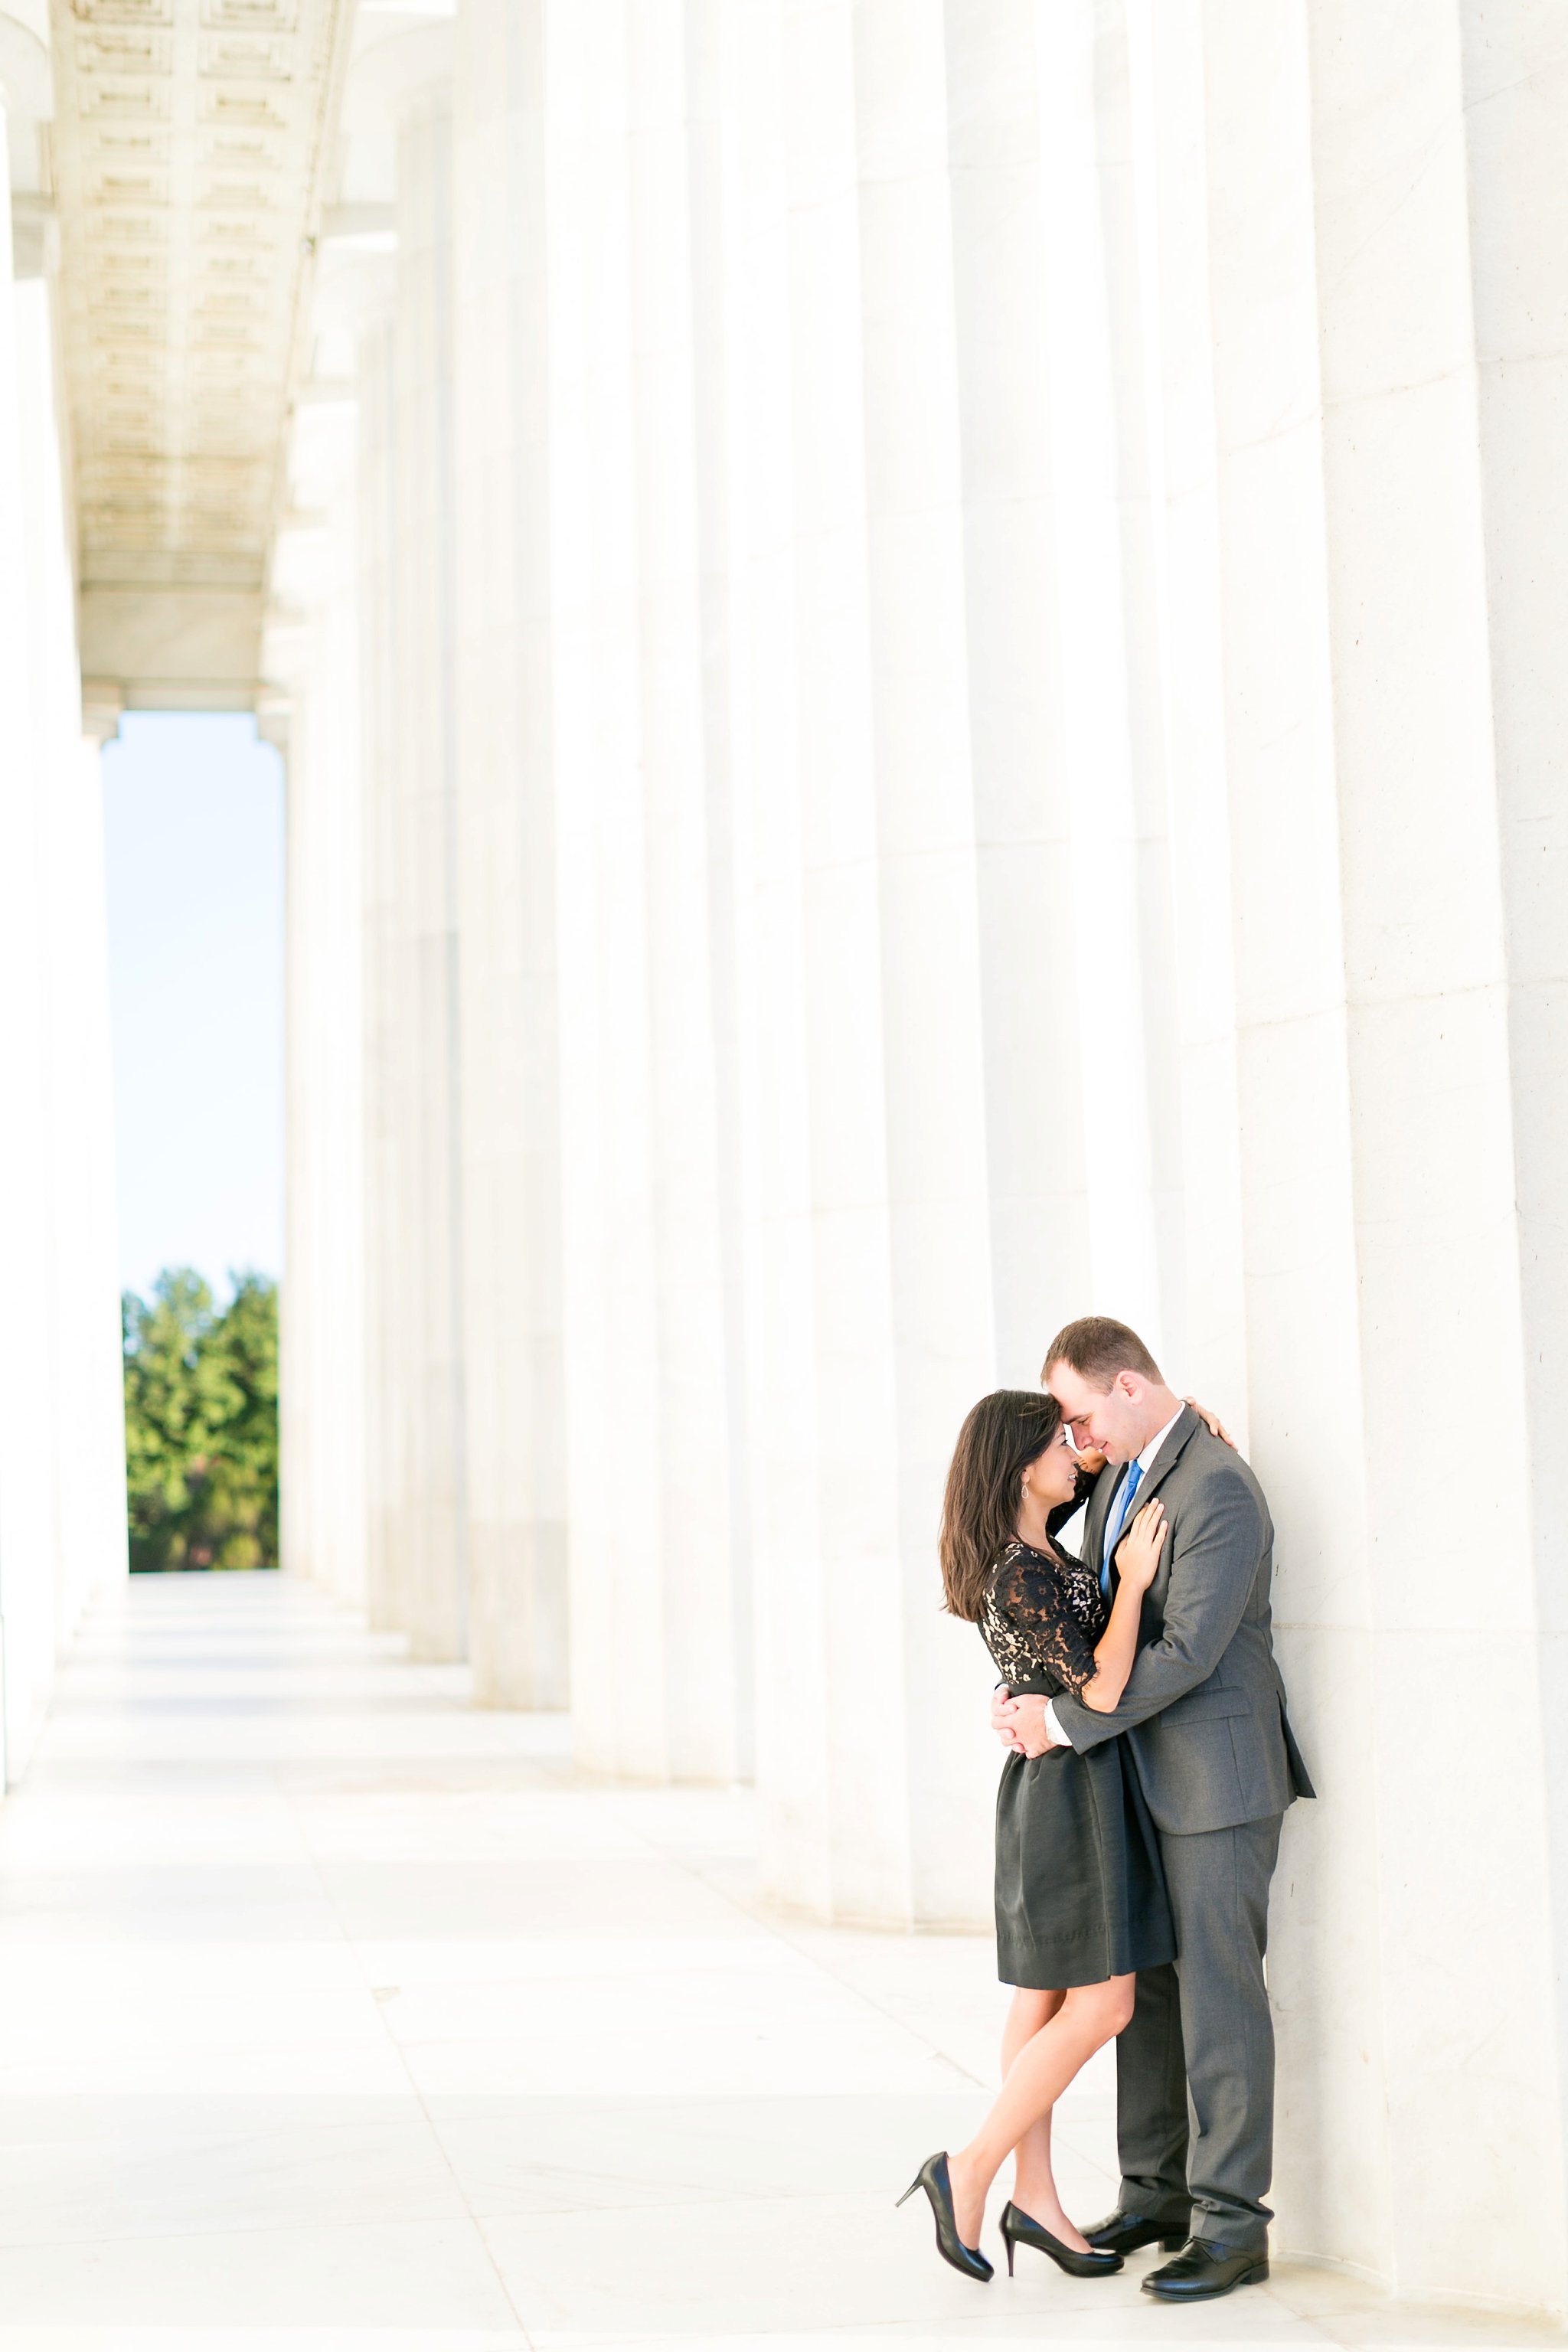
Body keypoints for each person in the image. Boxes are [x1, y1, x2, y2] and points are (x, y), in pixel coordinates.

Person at [992, 1315, 1314, 2304]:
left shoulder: (1215, 1488)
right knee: (1149, 2001)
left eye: (1087, 1417)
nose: (1080, 1442)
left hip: (1216, 1783)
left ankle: (1230, 2223)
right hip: (1137, 1777)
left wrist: (1062, 1725)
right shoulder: (1130, 1473)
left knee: (1219, 1996)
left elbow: (1190, 1655)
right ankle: (1156, 2194)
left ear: (1129, 1386)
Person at [898, 1387, 1178, 2286]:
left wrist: (1190, 1413)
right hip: (1070, 1792)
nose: (1078, 1452)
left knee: (1046, 1998)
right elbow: (1097, 1690)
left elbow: (1128, 1439)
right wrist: (1131, 1584)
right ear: (1023, 1463)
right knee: (1102, 2004)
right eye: (1062, 1441)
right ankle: (970, 2167)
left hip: (1056, 1783)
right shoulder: (1019, 1566)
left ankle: (1035, 2199)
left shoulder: (1035, 1547)